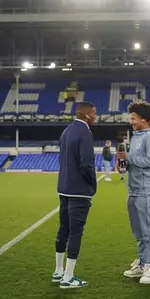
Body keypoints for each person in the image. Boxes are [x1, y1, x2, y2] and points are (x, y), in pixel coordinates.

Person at [54, 101, 97, 289]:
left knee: (64, 228)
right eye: (94, 113)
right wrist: (93, 184)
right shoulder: (85, 132)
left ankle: (58, 271)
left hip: (63, 187)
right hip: (78, 190)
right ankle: (68, 277)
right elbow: (86, 164)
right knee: (75, 231)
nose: (96, 116)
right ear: (86, 115)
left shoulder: (66, 131)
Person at [119, 101, 150, 285]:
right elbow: (135, 161)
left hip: (145, 190)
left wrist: (128, 157)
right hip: (133, 190)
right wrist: (122, 164)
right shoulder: (135, 136)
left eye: (133, 118)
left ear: (143, 119)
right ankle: (143, 263)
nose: (131, 122)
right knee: (138, 231)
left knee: (147, 230)